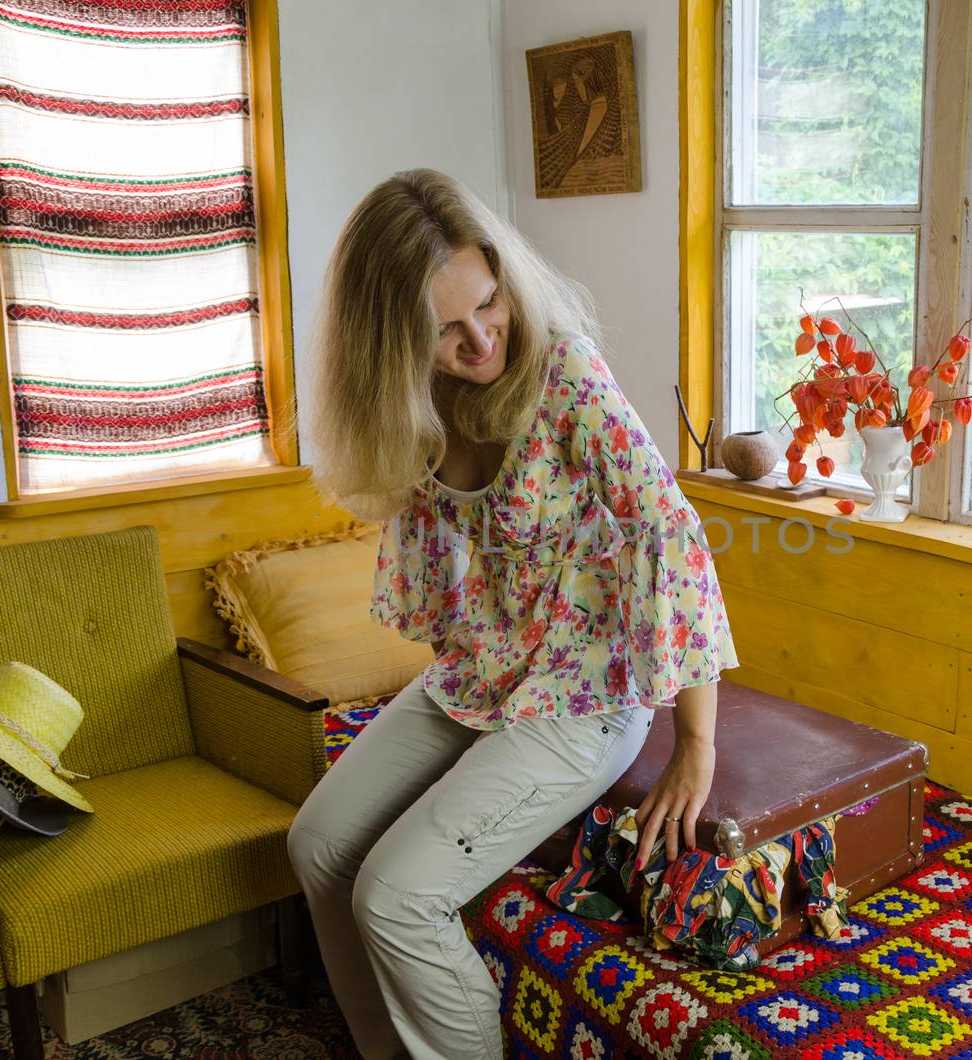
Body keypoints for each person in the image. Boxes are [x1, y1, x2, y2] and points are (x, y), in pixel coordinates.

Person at [286, 167, 740, 1060]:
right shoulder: (408, 405)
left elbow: (668, 532)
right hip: (482, 673)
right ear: (391, 341)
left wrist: (696, 742)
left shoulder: (561, 370)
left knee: (396, 894)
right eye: (444, 329)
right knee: (316, 843)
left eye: (488, 303)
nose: (481, 337)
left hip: (585, 692)